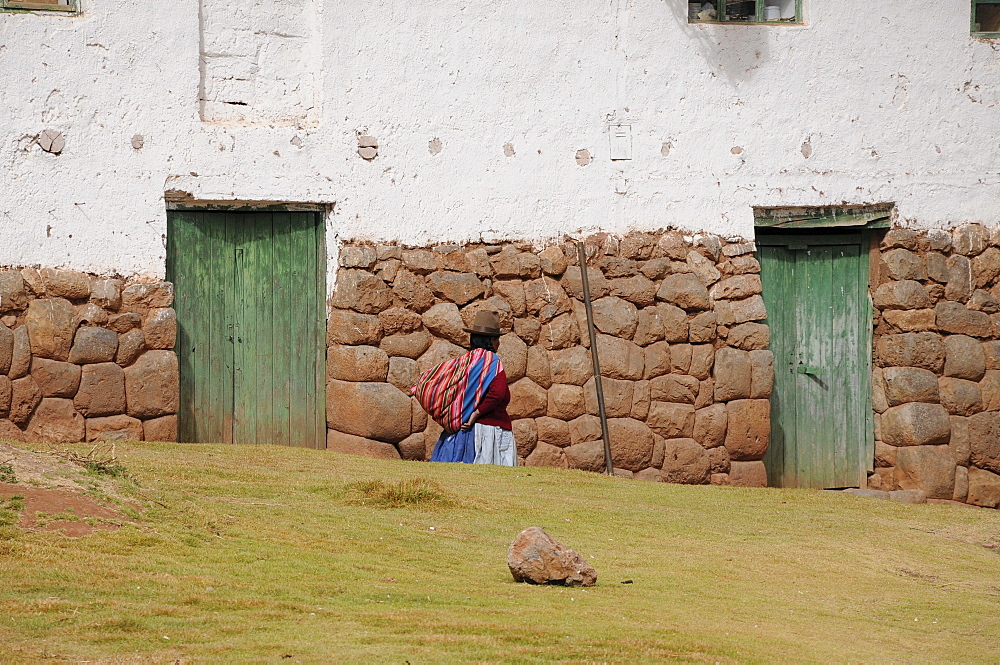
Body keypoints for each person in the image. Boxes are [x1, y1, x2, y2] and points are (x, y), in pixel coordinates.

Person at [411, 310, 517, 466]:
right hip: (486, 432)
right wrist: (475, 413)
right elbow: (497, 393)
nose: (499, 344)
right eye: (497, 339)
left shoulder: (465, 362)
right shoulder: (492, 361)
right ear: (492, 340)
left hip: (459, 433)